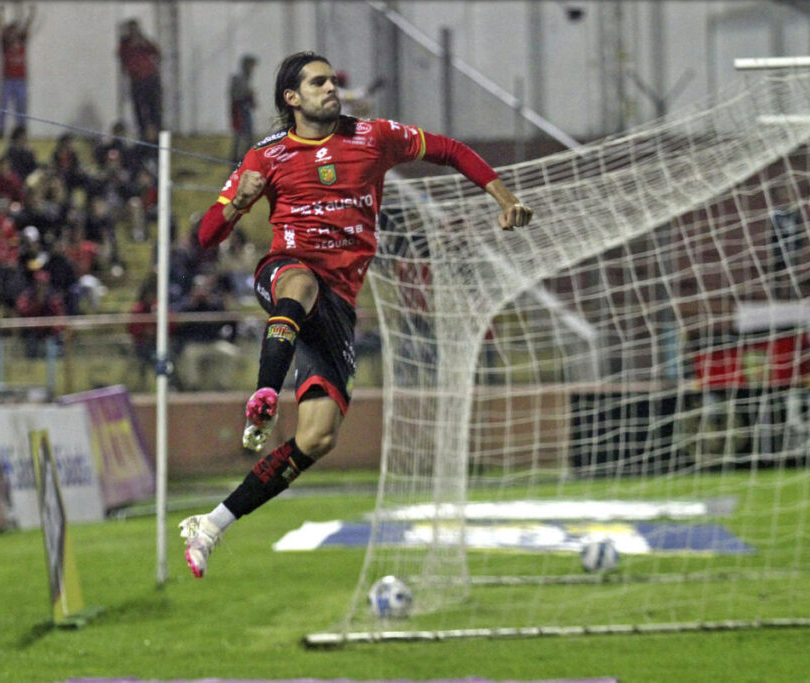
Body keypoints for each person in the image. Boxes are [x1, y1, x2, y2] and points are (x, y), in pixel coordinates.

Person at [178, 51, 533, 578]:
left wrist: (503, 198)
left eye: (332, 80)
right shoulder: (265, 155)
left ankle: (211, 524)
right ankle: (265, 394)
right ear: (291, 98)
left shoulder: (374, 136)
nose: (331, 88)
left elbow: (451, 150)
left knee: (319, 437)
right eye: (317, 82)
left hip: (340, 305)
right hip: (285, 275)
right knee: (300, 281)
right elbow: (203, 238)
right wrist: (236, 203)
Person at [117, 19, 162, 142]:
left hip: (151, 79)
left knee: (155, 111)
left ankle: (158, 140)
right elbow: (123, 59)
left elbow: (157, 52)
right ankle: (144, 140)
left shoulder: (145, 41)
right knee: (140, 114)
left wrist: (143, 44)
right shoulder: (125, 45)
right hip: (137, 81)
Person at [0, 4, 35, 139]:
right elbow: (1, 29)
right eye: (10, 32)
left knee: (21, 107)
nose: (12, 34)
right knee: (3, 107)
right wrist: (1, 14)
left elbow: (27, 27)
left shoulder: (22, 43)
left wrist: (31, 13)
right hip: (8, 79)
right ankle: (0, 131)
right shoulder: (5, 45)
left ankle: (21, 131)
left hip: (20, 80)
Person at [228, 54, 258, 162]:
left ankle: (245, 157)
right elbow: (236, 96)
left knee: (248, 136)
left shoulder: (246, 79)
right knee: (240, 136)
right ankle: (236, 159)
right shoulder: (238, 79)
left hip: (245, 110)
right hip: (240, 111)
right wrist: (248, 95)